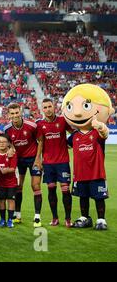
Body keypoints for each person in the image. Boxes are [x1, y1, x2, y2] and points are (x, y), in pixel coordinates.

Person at [61, 84, 114, 230]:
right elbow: (63, 145)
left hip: (96, 173)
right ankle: (85, 218)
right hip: (80, 174)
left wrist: (100, 125)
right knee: (82, 197)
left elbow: (105, 133)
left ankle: (101, 220)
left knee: (99, 197)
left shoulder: (96, 133)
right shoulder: (74, 136)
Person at [35, 98, 73, 227]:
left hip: (62, 162)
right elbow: (41, 142)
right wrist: (38, 159)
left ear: (54, 106)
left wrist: (70, 143)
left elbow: (74, 133)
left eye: (49, 106)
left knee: (65, 190)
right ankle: (55, 218)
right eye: (44, 107)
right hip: (48, 164)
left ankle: (68, 219)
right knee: (51, 190)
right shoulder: (40, 124)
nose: (47, 109)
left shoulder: (62, 120)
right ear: (42, 109)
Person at [4, 103, 41, 227]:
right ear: (9, 115)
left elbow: (40, 141)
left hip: (33, 159)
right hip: (19, 160)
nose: (15, 115)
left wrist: (38, 159)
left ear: (21, 112)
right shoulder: (7, 129)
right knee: (18, 186)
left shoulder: (32, 125)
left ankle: (37, 217)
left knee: (35, 186)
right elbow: (9, 144)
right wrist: (10, 149)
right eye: (12, 113)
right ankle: (17, 215)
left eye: (16, 113)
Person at [0, 134, 18, 229]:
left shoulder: (12, 153)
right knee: (1, 200)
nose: (2, 144)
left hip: (11, 182)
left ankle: (10, 220)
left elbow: (13, 168)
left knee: (11, 200)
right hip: (0, 182)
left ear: (8, 143)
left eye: (4, 142)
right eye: (0, 142)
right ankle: (2, 219)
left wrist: (6, 170)